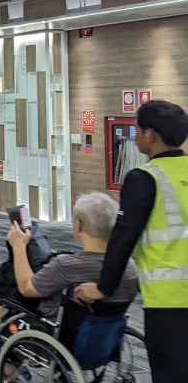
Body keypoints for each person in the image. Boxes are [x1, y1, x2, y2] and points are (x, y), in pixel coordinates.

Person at [0, 192, 139, 377]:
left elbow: (27, 288)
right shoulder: (129, 267)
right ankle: (9, 365)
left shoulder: (67, 265)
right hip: (104, 343)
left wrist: (19, 247)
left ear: (79, 225)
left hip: (57, 341)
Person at [75, 100, 188, 383]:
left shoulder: (145, 178)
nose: (136, 136)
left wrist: (103, 288)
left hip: (170, 302)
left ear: (151, 134)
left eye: (137, 130)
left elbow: (122, 238)